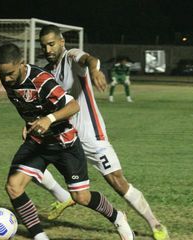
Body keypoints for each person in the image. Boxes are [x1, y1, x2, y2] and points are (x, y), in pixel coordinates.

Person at [36, 25, 170, 240]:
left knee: (117, 182)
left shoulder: (71, 57)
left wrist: (95, 70)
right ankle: (61, 195)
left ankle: (155, 223)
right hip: (67, 137)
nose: (48, 49)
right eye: (44, 46)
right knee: (31, 162)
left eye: (51, 44)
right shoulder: (48, 72)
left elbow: (90, 59)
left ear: (61, 42)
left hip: (91, 135)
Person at [0, 43, 135, 240]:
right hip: (38, 143)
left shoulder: (42, 80)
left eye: (10, 73)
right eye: (2, 74)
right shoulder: (7, 79)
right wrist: (29, 124)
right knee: (13, 186)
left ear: (22, 64)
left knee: (81, 197)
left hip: (64, 143)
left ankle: (118, 217)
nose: (6, 79)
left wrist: (49, 119)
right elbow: (30, 104)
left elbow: (73, 105)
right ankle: (39, 237)